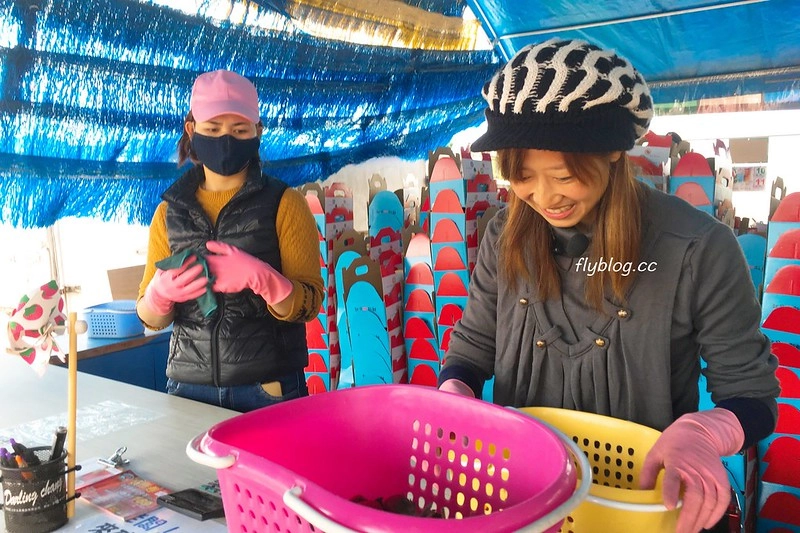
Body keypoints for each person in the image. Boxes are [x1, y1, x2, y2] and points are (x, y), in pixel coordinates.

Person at [437, 38, 779, 533]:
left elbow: (752, 392)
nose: (543, 197)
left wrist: (705, 431)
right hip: (523, 496)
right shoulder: (502, 233)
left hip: (638, 504)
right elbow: (473, 345)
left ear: (615, 152)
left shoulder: (698, 249)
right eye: (524, 177)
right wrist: (455, 392)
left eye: (562, 175)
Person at [136, 69, 324, 412]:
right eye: (212, 129)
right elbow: (150, 318)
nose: (226, 140)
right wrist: (158, 295)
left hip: (267, 388)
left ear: (257, 132)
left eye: (239, 130)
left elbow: (310, 303)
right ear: (192, 130)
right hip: (188, 388)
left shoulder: (285, 203)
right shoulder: (168, 213)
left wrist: (266, 280)